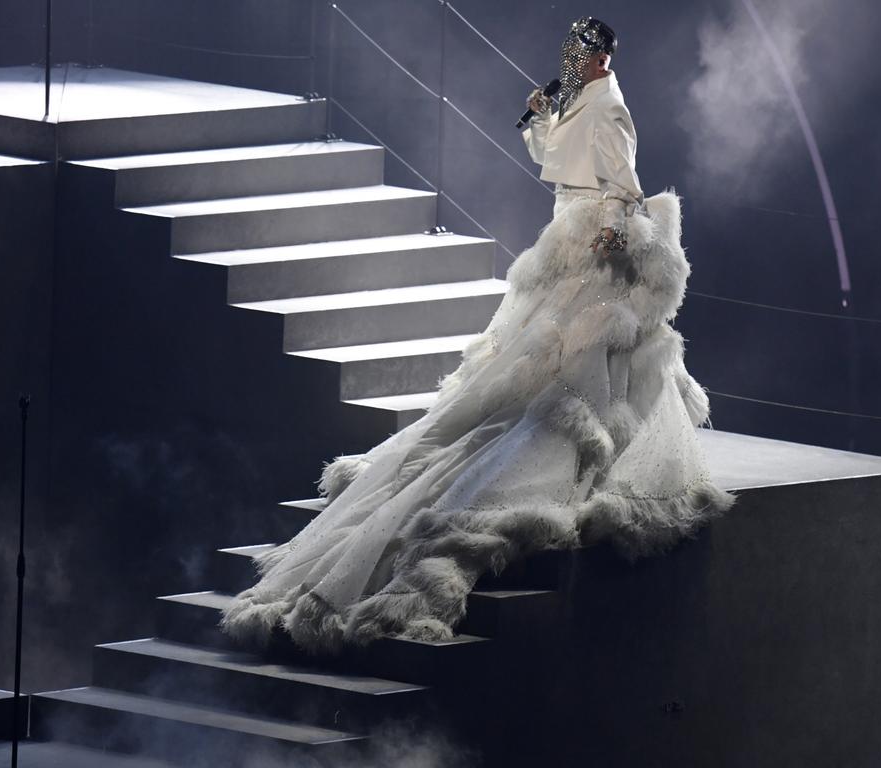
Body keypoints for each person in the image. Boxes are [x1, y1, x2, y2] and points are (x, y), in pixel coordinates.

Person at [220, 16, 735, 654]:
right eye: (570, 50)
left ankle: (579, 431)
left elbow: (625, 189)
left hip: (591, 240)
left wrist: (613, 228)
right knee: (523, 357)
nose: (574, 60)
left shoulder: (612, 111)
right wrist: (540, 119)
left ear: (603, 58)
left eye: (582, 52)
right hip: (567, 232)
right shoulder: (581, 100)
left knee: (577, 358)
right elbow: (555, 161)